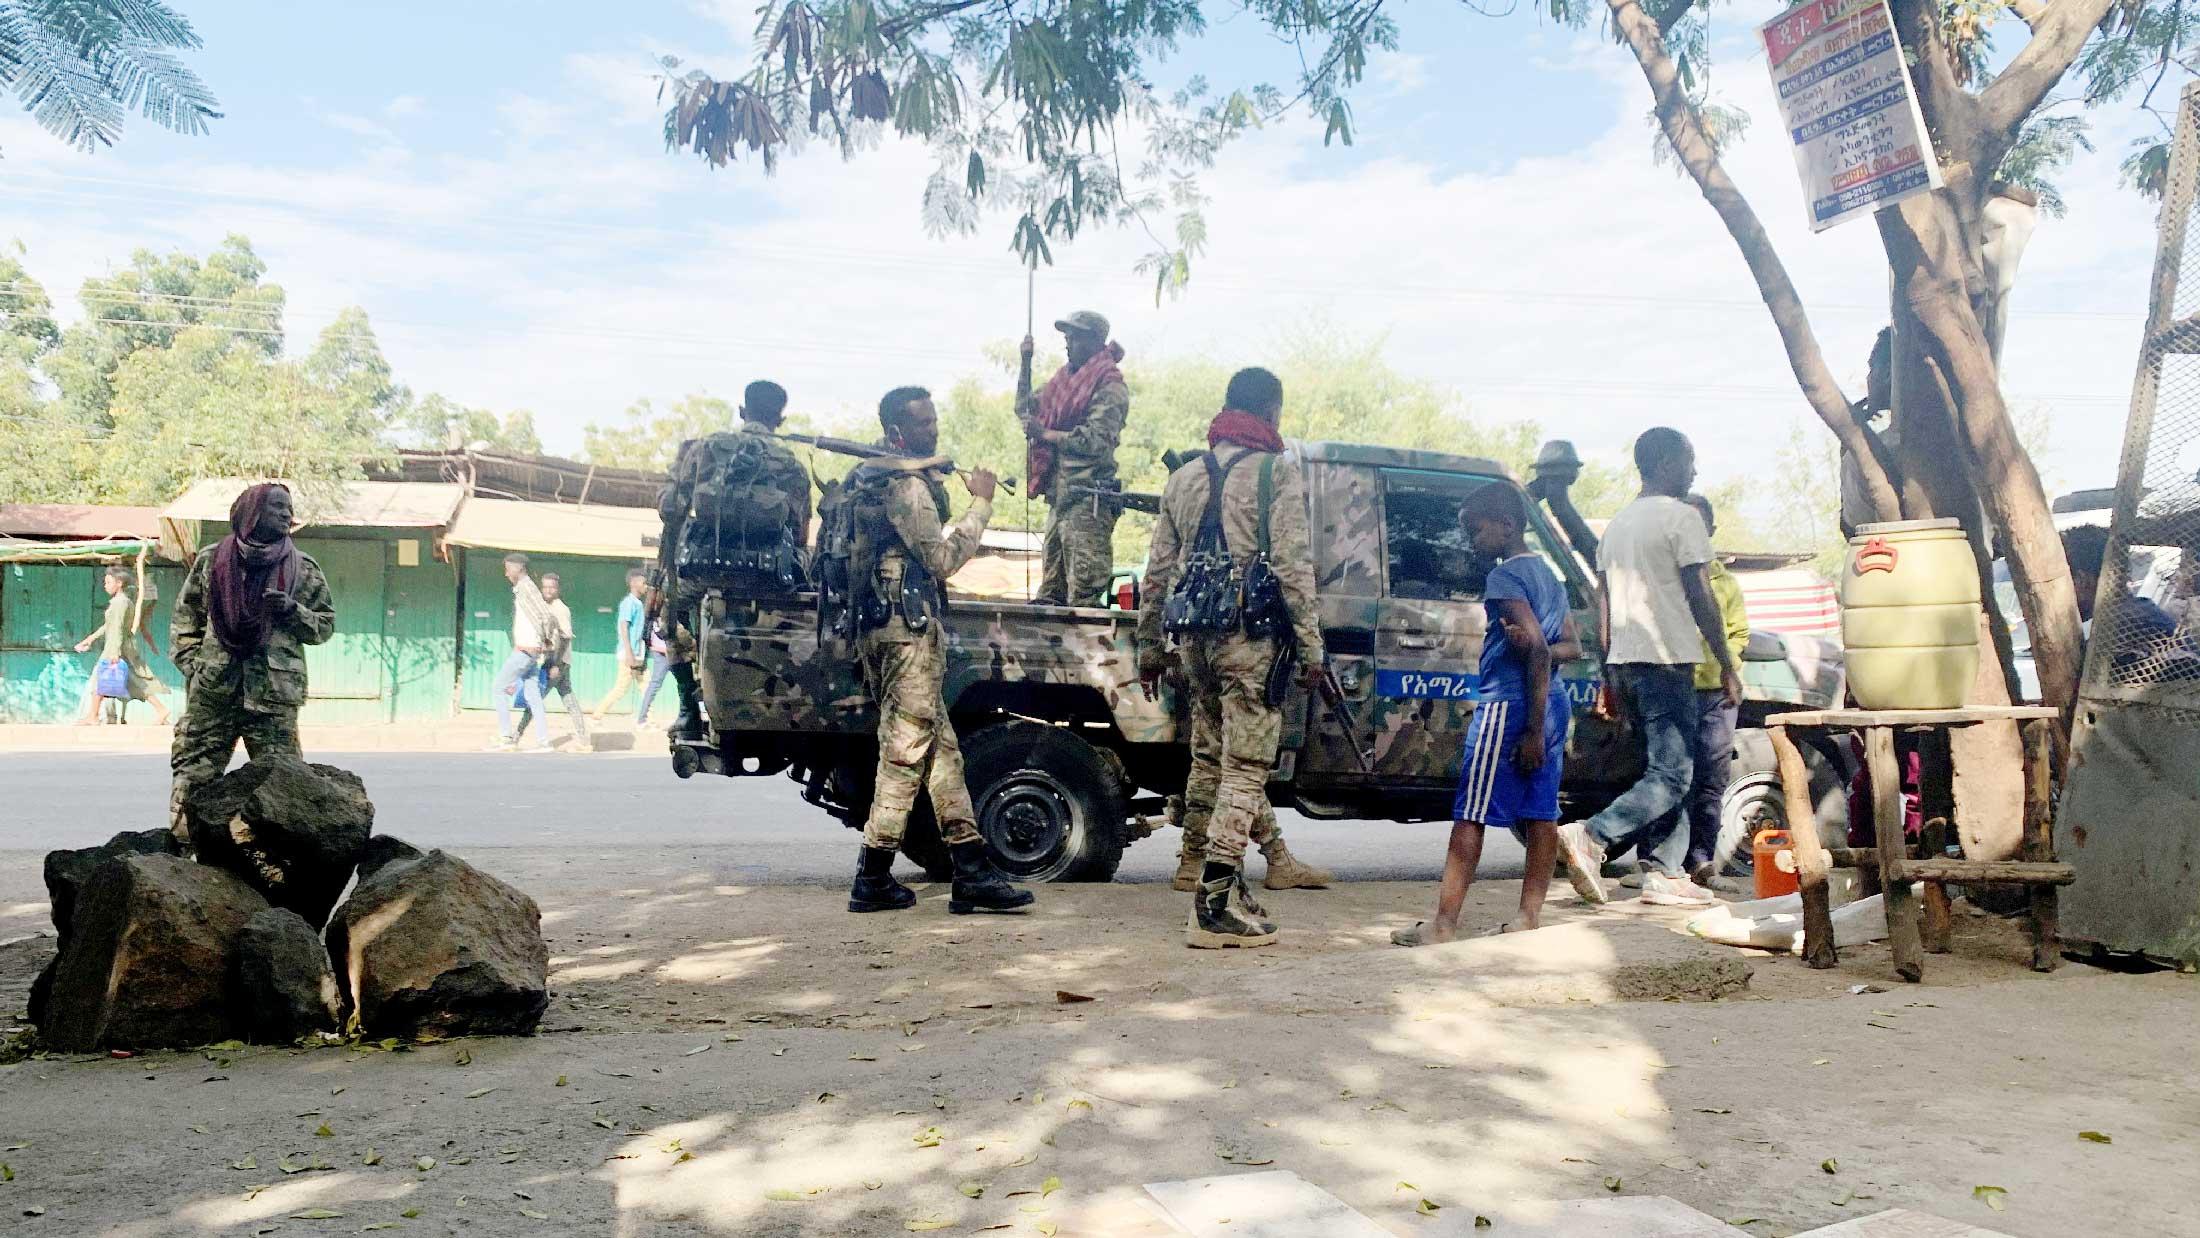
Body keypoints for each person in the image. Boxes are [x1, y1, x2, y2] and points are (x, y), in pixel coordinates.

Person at [1138, 367, 1324, 949]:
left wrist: (1149, 648)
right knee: (1246, 767)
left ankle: (1218, 877)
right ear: (1271, 413)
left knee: (1216, 758)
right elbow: (1293, 567)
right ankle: (1214, 904)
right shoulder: (1277, 472)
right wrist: (1312, 648)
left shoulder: (1186, 477)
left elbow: (1158, 574)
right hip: (1251, 641)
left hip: (1194, 638)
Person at [844, 385, 1034, 917]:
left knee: (941, 753)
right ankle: (873, 873)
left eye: (934, 419)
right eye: (924, 423)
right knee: (905, 754)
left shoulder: (873, 478)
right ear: (899, 430)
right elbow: (943, 559)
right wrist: (982, 503)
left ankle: (971, 869)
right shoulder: (905, 486)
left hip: (883, 630)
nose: (934, 429)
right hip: (907, 635)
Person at [1553, 428, 1741, 909]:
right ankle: (1592, 836)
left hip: (1628, 663)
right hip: (1667, 659)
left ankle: (1663, 870)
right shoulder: (1681, 518)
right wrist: (1725, 662)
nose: (1693, 471)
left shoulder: (1618, 525)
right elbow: (1700, 594)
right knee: (1674, 775)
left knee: (1666, 766)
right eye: (1688, 461)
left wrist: (1607, 667)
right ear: (1664, 464)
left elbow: (1603, 602)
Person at [1392, 483, 1581, 945]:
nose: (1473, 541)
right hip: (1552, 701)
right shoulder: (1549, 576)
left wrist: (1531, 727)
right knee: (1541, 814)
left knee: (1471, 813)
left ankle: (1443, 924)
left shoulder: (1503, 579)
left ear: (1506, 525)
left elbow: (1535, 646)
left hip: (1508, 707)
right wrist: (1536, 662)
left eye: (1476, 531)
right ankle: (1528, 917)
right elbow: (1569, 647)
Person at [168, 483, 335, 838]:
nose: (287, 514)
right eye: (277, 507)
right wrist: (196, 670)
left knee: (283, 788)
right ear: (252, 512)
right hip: (214, 696)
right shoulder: (212, 560)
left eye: (289, 508)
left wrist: (292, 611)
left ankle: (279, 873)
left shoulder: (302, 569)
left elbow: (323, 627)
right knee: (192, 780)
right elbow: (186, 621)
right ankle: (185, 859)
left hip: (273, 700)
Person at [653, 380, 810, 740]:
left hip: (704, 571)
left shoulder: (706, 449)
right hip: (765, 578)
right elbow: (800, 534)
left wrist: (676, 471)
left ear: (743, 411)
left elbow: (670, 508)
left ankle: (687, 709)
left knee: (670, 617)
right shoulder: (790, 464)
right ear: (780, 420)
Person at [1021, 310, 1129, 607]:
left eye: (1075, 338)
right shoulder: (1062, 384)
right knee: (1049, 594)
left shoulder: (1109, 385)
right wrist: (1025, 362)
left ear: (1095, 341)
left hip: (1087, 499)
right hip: (1061, 497)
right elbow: (1025, 408)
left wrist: (1045, 434)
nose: (1068, 344)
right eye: (1067, 338)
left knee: (1084, 594)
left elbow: (1096, 440)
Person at [75, 564, 172, 726]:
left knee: (100, 678)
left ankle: (93, 716)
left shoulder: (120, 603)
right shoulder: (120, 601)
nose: (105, 585)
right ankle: (161, 709)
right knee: (133, 681)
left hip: (116, 647)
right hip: (119, 646)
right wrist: (89, 639)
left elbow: (118, 628)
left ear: (119, 583)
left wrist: (114, 652)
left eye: (108, 582)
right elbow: (108, 626)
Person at [513, 572, 591, 751]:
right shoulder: (545, 607)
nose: (548, 590)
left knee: (535, 698)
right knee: (569, 699)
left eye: (552, 587)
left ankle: (516, 736)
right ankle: (584, 740)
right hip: (556, 661)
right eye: (545, 587)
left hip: (557, 662)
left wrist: (555, 664)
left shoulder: (560, 609)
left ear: (557, 589)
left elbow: (565, 638)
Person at [489, 553, 556, 753]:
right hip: (529, 651)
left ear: (518, 568)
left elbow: (547, 616)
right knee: (533, 695)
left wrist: (542, 641)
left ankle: (506, 737)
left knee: (498, 688)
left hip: (525, 651)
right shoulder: (522, 588)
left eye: (508, 569)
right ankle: (544, 741)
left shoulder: (526, 588)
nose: (506, 573)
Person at [591, 568, 651, 721]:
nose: (646, 586)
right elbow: (623, 627)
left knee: (646, 686)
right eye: (644, 583)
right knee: (621, 689)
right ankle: (597, 715)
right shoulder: (629, 603)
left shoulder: (638, 603)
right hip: (629, 654)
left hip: (637, 653)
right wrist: (629, 652)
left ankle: (647, 719)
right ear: (634, 583)